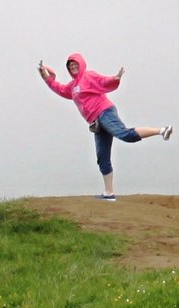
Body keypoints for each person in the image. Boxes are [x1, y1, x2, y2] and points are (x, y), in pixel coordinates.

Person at [39, 53, 171, 199]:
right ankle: (109, 193)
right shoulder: (72, 86)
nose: (73, 66)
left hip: (104, 112)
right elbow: (59, 88)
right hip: (96, 121)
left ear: (81, 64)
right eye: (70, 65)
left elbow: (103, 81)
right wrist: (46, 77)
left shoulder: (88, 76)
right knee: (102, 157)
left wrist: (115, 79)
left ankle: (161, 130)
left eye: (75, 64)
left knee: (125, 135)